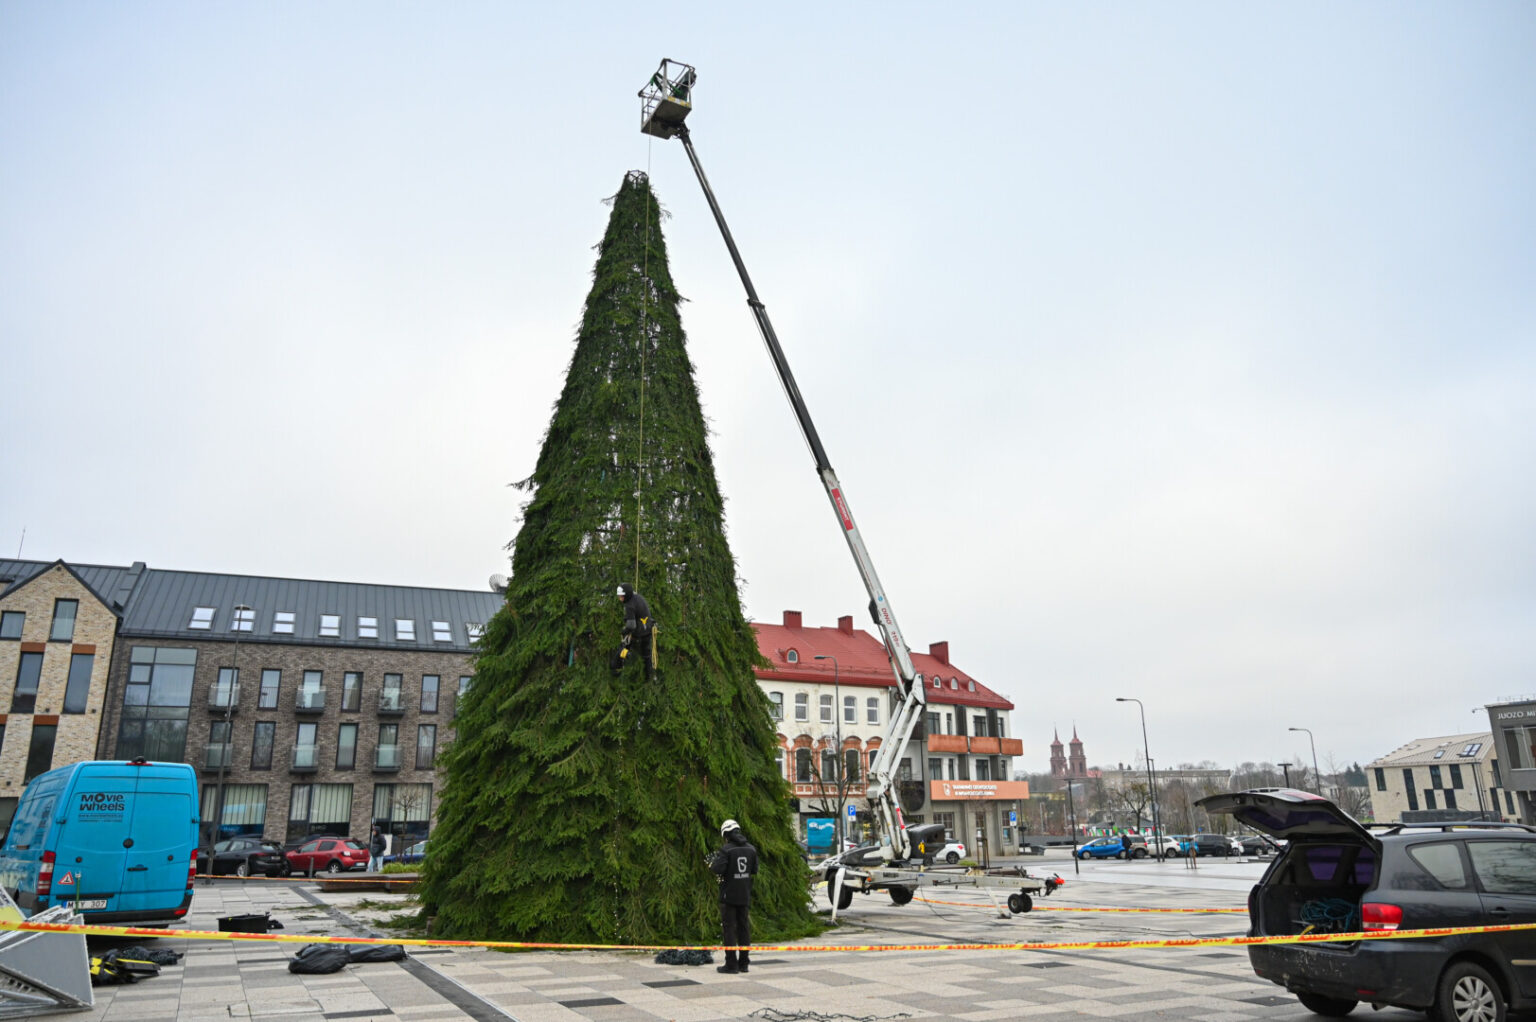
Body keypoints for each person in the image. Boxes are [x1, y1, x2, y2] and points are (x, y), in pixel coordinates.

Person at [710, 819, 758, 975]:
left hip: (728, 895)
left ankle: (731, 965)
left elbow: (717, 870)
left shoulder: (726, 850)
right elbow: (753, 870)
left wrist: (713, 863)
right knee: (744, 928)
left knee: (729, 929)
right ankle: (744, 963)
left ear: (726, 834)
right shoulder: (751, 849)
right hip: (744, 894)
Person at [612, 583, 656, 681]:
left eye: (621, 597)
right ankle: (650, 677)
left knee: (623, 647)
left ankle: (619, 667)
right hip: (648, 628)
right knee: (647, 654)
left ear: (626, 595)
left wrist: (624, 631)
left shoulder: (629, 605)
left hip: (639, 632)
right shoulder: (637, 597)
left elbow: (631, 626)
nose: (620, 599)